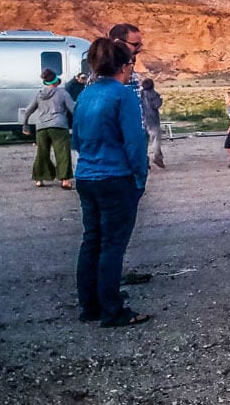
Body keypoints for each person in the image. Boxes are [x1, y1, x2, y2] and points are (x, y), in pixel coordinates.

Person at [72, 37, 150, 327]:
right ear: (123, 65)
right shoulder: (123, 95)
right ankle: (113, 309)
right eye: (131, 63)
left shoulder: (85, 94)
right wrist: (139, 177)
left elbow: (77, 139)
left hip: (87, 176)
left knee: (91, 240)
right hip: (115, 177)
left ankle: (89, 305)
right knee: (113, 245)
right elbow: (134, 143)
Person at [22, 68, 76, 189]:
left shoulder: (39, 94)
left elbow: (27, 111)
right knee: (62, 152)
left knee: (42, 152)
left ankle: (39, 179)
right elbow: (73, 109)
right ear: (56, 82)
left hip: (41, 127)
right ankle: (65, 180)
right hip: (58, 126)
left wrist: (25, 125)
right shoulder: (62, 93)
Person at [108, 23, 145, 128]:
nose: (139, 49)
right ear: (118, 43)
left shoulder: (129, 69)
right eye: (135, 45)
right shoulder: (109, 74)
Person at [141, 78, 165, 168]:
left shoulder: (141, 94)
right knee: (155, 139)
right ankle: (157, 156)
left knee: (144, 142)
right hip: (153, 120)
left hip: (142, 119)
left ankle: (144, 160)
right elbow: (156, 105)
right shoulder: (153, 94)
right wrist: (160, 100)